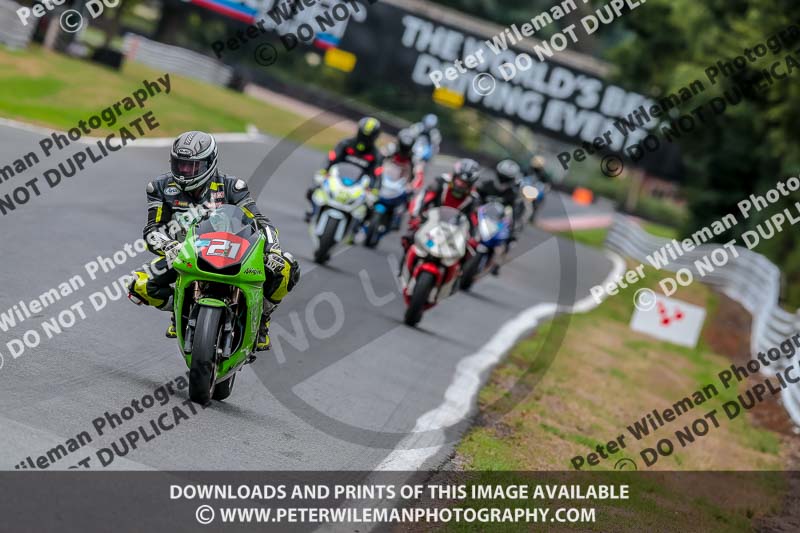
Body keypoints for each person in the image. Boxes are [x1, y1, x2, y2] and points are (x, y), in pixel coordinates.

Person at [127, 131, 300, 352]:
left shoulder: (231, 187)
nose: (185, 171)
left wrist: (273, 249)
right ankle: (180, 309)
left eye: (192, 166)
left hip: (230, 250)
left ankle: (263, 318)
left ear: (210, 163)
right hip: (184, 253)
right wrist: (168, 246)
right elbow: (152, 229)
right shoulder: (159, 188)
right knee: (140, 284)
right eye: (180, 165)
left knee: (286, 268)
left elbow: (259, 220)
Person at [305, 116, 384, 221]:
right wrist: (323, 171)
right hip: (339, 177)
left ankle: (358, 228)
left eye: (369, 136)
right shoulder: (346, 143)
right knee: (313, 189)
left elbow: (378, 174)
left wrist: (375, 190)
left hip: (360, 185)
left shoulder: (376, 154)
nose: (366, 138)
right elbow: (331, 158)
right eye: (364, 135)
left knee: (371, 208)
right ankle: (312, 210)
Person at [404, 158, 482, 248]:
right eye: (458, 180)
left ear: (470, 184)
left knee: (466, 254)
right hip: (430, 223)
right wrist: (416, 216)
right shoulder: (441, 182)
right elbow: (423, 198)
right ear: (454, 176)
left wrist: (474, 238)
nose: (460, 185)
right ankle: (407, 259)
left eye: (464, 183)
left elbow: (475, 220)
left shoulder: (474, 198)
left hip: (454, 234)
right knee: (409, 238)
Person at [476, 159, 523, 275]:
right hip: (480, 218)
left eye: (506, 178)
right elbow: (474, 198)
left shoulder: (513, 195)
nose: (503, 181)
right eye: (502, 177)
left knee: (510, 240)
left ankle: (497, 262)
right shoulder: (486, 185)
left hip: (498, 223)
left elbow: (515, 214)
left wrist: (513, 232)